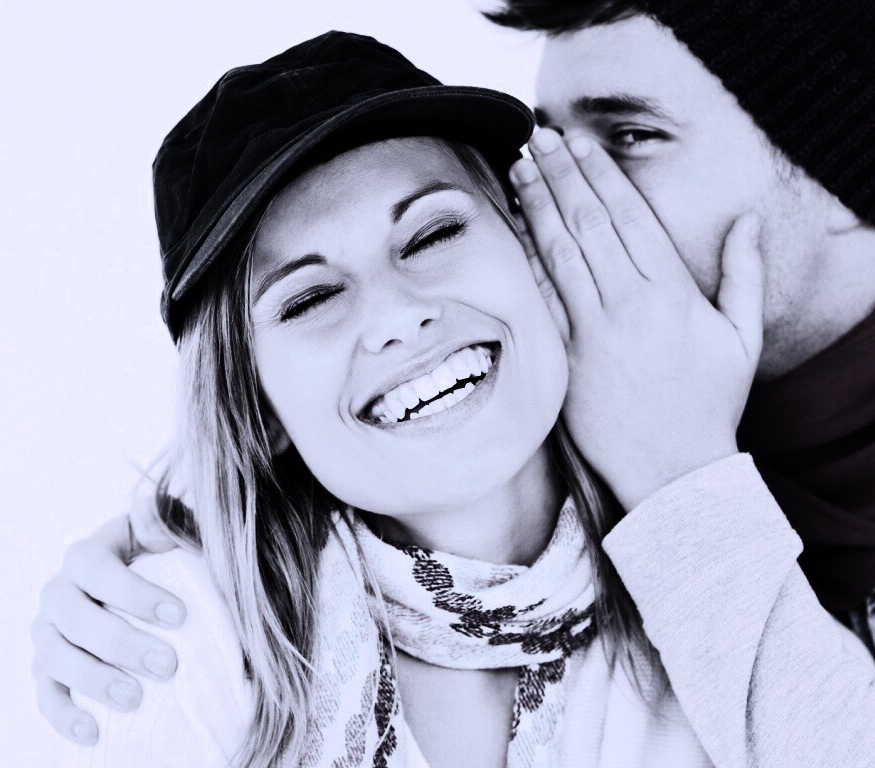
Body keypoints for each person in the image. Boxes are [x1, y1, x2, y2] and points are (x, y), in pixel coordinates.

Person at [37, 1, 875, 765]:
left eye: (631, 138)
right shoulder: (630, 386)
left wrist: (682, 486)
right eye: (547, 150)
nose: (553, 202)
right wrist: (158, 563)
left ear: (841, 163)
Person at [53, 30, 763, 767]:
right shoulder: (169, 647)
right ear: (257, 404)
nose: (397, 315)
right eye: (311, 298)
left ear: (534, 255)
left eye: (433, 234)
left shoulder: (727, 559)